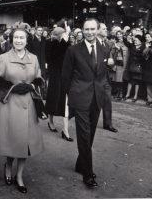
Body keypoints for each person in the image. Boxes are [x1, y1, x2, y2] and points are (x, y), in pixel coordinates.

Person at [0, 28, 44, 194]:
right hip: (11, 104)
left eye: (22, 38)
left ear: (27, 41)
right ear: (12, 39)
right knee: (12, 141)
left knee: (25, 144)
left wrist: (32, 85)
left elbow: (40, 79)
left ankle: (19, 176)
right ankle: (8, 166)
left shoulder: (33, 58)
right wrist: (12, 88)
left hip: (29, 106)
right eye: (16, 38)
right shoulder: (4, 58)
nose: (19, 40)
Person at [62, 18, 107, 188]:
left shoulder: (103, 48)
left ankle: (80, 164)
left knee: (91, 135)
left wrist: (103, 90)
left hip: (97, 98)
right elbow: (65, 77)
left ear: (98, 29)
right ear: (82, 30)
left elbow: (102, 75)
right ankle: (87, 174)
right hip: (80, 98)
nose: (89, 32)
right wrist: (71, 97)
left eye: (92, 29)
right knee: (84, 135)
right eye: (86, 29)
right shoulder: (73, 50)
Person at [45, 27, 73, 140]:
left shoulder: (65, 43)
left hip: (65, 76)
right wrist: (64, 42)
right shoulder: (51, 44)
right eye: (64, 34)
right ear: (59, 35)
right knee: (53, 99)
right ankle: (50, 120)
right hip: (56, 77)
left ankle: (65, 130)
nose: (65, 36)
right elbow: (56, 57)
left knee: (65, 101)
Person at [97, 23, 117, 133]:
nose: (106, 30)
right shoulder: (94, 43)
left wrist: (111, 62)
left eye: (106, 28)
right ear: (98, 30)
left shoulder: (105, 43)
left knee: (108, 101)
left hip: (105, 78)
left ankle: (108, 124)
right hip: (96, 79)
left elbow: (109, 58)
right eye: (104, 29)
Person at [123, 35, 145, 102]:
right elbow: (126, 42)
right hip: (131, 66)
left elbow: (143, 58)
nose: (134, 41)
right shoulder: (132, 46)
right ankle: (127, 94)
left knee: (137, 82)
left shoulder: (143, 48)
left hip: (138, 67)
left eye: (136, 40)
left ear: (140, 41)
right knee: (130, 81)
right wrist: (125, 36)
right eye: (134, 40)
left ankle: (135, 96)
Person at [111, 30, 129, 100]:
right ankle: (119, 93)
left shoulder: (126, 43)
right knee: (118, 79)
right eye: (118, 34)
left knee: (124, 79)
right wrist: (113, 64)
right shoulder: (116, 44)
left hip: (125, 63)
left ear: (123, 35)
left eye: (120, 34)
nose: (119, 35)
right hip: (118, 63)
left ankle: (123, 93)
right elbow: (112, 53)